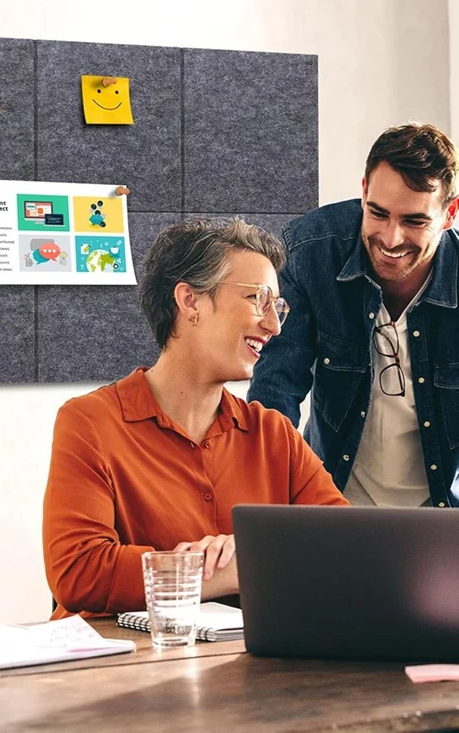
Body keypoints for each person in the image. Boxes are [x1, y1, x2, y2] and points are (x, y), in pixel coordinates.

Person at [43, 219, 348, 619]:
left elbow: (346, 548)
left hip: (245, 669)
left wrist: (249, 556)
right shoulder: (89, 423)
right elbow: (79, 572)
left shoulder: (273, 434)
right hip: (118, 671)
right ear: (189, 301)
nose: (274, 325)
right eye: (258, 299)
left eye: (279, 307)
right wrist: (223, 571)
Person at [248, 123, 459, 508]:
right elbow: (276, 384)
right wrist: (270, 499)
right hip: (333, 500)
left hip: (442, 514)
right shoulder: (313, 250)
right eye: (378, 213)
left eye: (414, 221)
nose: (391, 239)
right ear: (363, 192)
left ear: (450, 214)